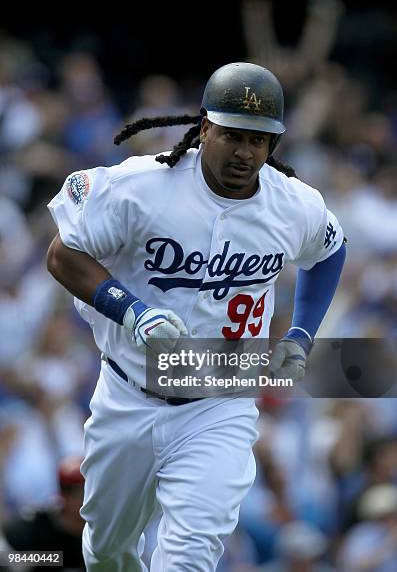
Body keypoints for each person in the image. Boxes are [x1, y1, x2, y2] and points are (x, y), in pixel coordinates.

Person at [46, 62, 346, 571]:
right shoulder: (140, 185)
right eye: (232, 135)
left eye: (259, 139)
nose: (245, 152)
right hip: (128, 393)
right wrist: (131, 311)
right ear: (205, 127)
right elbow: (62, 254)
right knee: (107, 553)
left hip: (220, 401)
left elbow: (330, 251)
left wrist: (300, 333)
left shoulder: (293, 204)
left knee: (189, 556)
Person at [1, 456, 85, 571]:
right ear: (64, 495)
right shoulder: (35, 527)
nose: (88, 500)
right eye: (80, 493)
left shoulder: (108, 531)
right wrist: (51, 559)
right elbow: (5, 559)